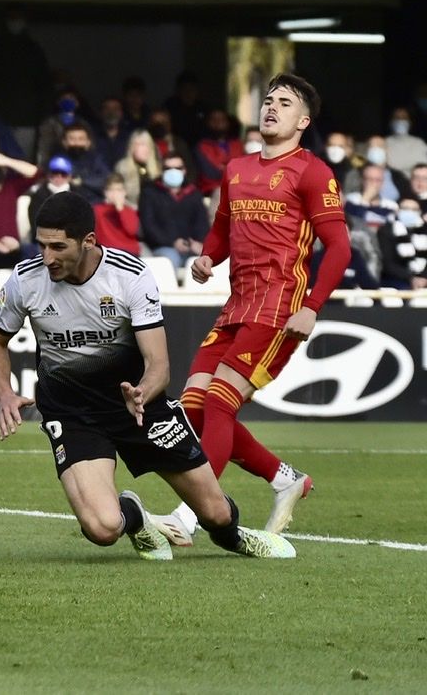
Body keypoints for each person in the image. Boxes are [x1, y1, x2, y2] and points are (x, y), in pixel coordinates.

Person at [0, 191, 294, 562]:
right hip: (73, 413)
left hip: (139, 408)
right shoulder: (26, 279)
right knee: (102, 527)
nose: (47, 257)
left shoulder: (129, 276)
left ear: (88, 242)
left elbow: (158, 363)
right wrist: (3, 393)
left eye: (58, 246)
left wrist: (143, 391)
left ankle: (235, 537)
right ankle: (134, 515)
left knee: (215, 514)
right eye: (42, 245)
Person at [153, 73, 352, 547]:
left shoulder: (312, 171)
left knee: (220, 403)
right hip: (236, 304)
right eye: (268, 100)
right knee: (193, 411)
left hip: (280, 306)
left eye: (284, 102)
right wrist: (206, 256)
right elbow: (223, 229)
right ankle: (285, 479)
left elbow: (339, 247)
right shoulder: (236, 168)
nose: (271, 107)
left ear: (302, 121)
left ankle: (188, 516)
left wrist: (313, 307)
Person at [138, 153, 209, 271]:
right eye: (168, 168)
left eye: (178, 168)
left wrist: (197, 243)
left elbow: (202, 223)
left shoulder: (194, 194)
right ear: (162, 170)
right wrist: (172, 242)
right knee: (171, 259)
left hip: (191, 247)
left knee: (205, 259)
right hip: (162, 247)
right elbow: (149, 226)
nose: (173, 171)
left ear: (184, 170)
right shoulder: (150, 193)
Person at [194, 109, 244, 197]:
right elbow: (210, 174)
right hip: (210, 191)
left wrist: (223, 168)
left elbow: (244, 170)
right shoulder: (201, 146)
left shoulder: (238, 144)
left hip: (238, 189)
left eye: (222, 120)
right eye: (214, 120)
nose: (218, 123)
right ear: (207, 123)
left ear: (228, 123)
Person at [94, 174, 141, 255]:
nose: (115, 194)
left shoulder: (129, 211)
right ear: (105, 193)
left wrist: (120, 209)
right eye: (111, 190)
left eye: (119, 190)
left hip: (130, 252)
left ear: (124, 192)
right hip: (108, 253)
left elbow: (132, 230)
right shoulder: (97, 210)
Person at [384, 106, 427, 179]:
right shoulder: (383, 143)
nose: (400, 121)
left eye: (404, 118)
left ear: (410, 122)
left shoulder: (419, 144)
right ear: (391, 122)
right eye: (397, 118)